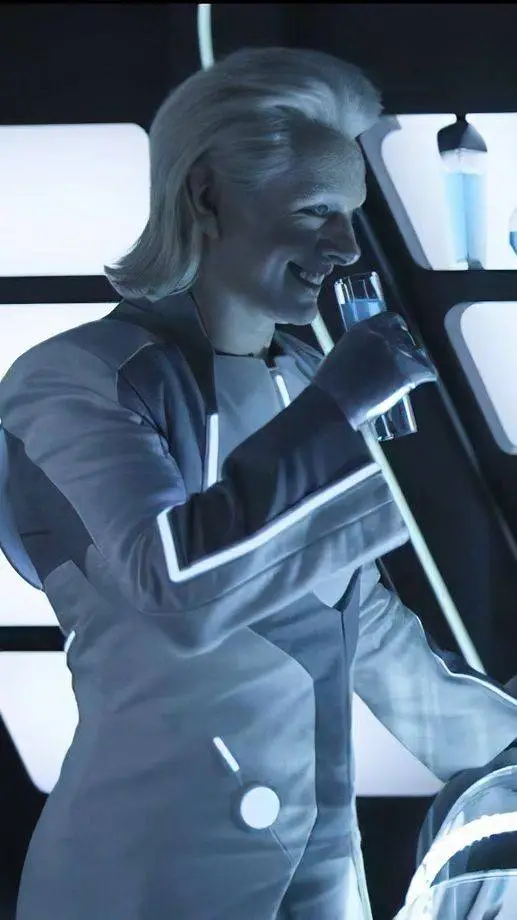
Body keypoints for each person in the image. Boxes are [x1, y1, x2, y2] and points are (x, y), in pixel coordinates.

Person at [2, 46, 517, 920]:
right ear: (207, 195)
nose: (344, 246)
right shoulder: (74, 380)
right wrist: (339, 409)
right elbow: (174, 591)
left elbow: (366, 633)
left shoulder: (305, 379)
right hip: (145, 877)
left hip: (316, 876)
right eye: (315, 210)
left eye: (349, 216)